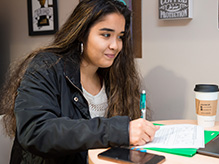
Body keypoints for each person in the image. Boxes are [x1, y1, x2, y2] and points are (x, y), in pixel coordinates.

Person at [0, 0, 159, 163]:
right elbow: (36, 131)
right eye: (106, 35)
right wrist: (119, 130)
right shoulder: (46, 66)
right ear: (82, 33)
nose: (115, 45)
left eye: (120, 37)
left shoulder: (115, 76)